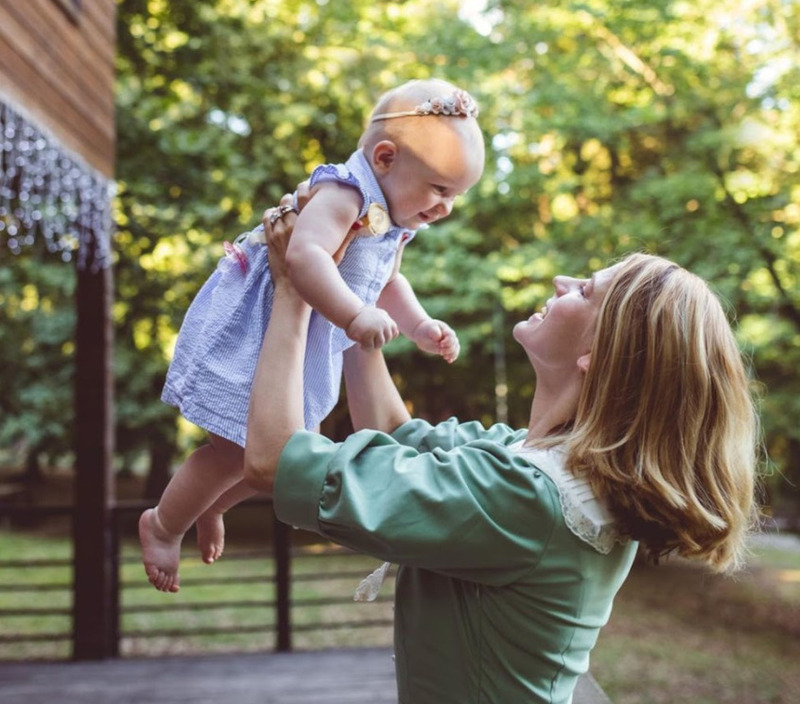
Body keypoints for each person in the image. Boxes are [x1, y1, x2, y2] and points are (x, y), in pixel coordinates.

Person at [242, 198, 759, 703]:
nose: (562, 282)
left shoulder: (528, 500)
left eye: (584, 290)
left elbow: (275, 461)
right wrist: (355, 288)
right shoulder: (540, 464)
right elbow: (399, 433)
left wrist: (293, 289)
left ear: (597, 354)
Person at [139, 78, 486, 592]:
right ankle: (164, 524)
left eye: (455, 196)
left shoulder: (394, 221)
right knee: (235, 451)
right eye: (439, 189)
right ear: (386, 158)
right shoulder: (344, 191)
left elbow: (389, 282)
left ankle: (206, 508)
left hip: (302, 342)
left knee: (281, 452)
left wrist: (420, 326)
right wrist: (353, 317)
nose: (446, 208)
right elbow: (303, 256)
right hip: (257, 333)